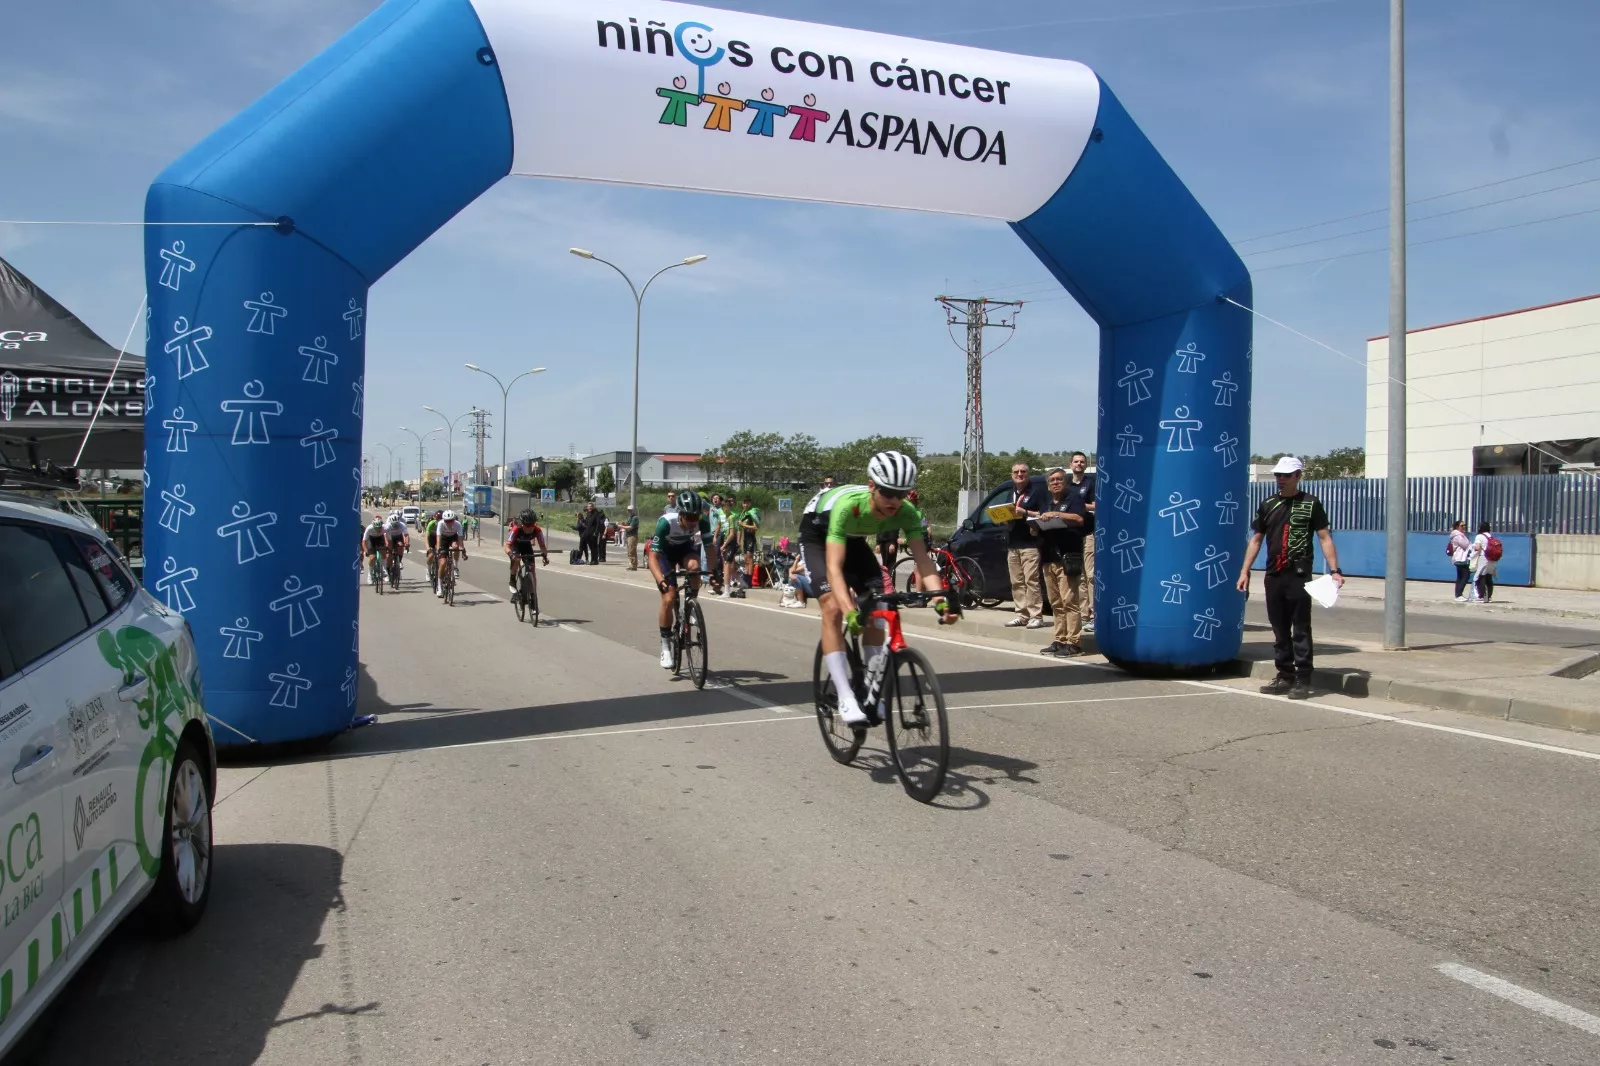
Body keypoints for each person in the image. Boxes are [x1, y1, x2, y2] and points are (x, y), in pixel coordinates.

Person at [799, 451, 958, 726]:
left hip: (855, 539)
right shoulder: (849, 505)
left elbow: (924, 561)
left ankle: (872, 690)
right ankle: (845, 696)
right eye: (888, 492)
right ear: (872, 485)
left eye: (902, 493)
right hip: (818, 533)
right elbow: (835, 567)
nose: (895, 500)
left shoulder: (907, 512)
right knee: (833, 606)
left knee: (878, 605)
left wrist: (940, 599)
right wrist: (850, 610)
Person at [1236, 456, 1344, 700]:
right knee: (1279, 629)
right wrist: (1245, 571)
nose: (1280, 479)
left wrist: (1335, 570)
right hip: (1274, 575)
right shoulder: (1268, 504)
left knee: (1301, 629)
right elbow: (1256, 539)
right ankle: (1284, 675)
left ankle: (1303, 679)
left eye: (1286, 475)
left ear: (1297, 476)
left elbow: (1324, 537)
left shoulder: (1311, 503)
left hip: (1299, 576)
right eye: (1278, 475)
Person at [647, 490, 712, 669]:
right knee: (668, 598)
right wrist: (661, 580)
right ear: (680, 514)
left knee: (695, 568)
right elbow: (652, 557)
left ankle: (691, 603)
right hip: (664, 556)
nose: (693, 522)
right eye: (689, 517)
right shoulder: (665, 523)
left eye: (696, 517)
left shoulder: (703, 522)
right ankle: (666, 644)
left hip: (684, 549)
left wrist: (714, 573)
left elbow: (710, 549)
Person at [1035, 467, 1090, 656]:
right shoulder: (1047, 504)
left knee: (1070, 601)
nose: (1056, 483)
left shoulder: (1073, 499)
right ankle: (1060, 639)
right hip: (1049, 558)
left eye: (1059, 479)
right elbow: (1041, 526)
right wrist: (1035, 526)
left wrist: (1058, 515)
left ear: (1065, 482)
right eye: (1052, 481)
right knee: (1055, 602)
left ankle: (1074, 643)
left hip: (1067, 557)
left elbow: (1079, 518)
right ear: (1048, 485)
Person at [1003, 461, 1048, 629]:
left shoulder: (1037, 491)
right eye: (1016, 472)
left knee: (1031, 580)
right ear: (1012, 474)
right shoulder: (1011, 493)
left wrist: (1024, 512)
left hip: (1030, 542)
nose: (1019, 474)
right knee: (1016, 581)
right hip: (1013, 542)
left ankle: (1036, 615)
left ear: (1027, 474)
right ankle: (1021, 614)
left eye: (1023, 472)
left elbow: (1043, 514)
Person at [1065, 451, 1097, 633]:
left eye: (1082, 462)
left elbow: (1096, 505)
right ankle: (1084, 615)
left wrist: (1079, 506)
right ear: (1070, 464)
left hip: (1088, 533)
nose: (1079, 464)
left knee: (1091, 575)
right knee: (1079, 577)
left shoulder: (1090, 484)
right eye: (1076, 461)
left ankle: (1094, 615)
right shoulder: (1067, 485)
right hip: (1072, 535)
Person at [505, 509, 549, 595]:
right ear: (522, 524)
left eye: (532, 525)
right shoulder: (516, 528)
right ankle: (512, 580)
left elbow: (543, 546)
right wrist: (510, 554)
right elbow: (507, 546)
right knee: (516, 560)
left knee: (532, 569)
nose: (530, 528)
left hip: (526, 545)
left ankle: (533, 595)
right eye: (527, 525)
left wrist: (545, 557)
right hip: (516, 545)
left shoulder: (537, 530)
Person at [433, 510, 467, 597]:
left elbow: (460, 540)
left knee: (456, 547)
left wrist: (462, 549)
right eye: (446, 521)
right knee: (443, 563)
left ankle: (455, 567)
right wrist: (438, 549)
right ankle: (439, 587)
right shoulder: (440, 523)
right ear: (443, 520)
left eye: (451, 521)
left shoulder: (457, 524)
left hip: (453, 538)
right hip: (443, 539)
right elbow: (438, 538)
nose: (449, 523)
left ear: (454, 520)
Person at [1471, 521, 1498, 603]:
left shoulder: (1479, 536)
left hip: (1484, 558)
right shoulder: (1490, 536)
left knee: (1480, 576)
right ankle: (1488, 596)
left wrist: (1473, 547)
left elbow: (1478, 548)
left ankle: (1481, 596)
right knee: (1489, 577)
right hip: (1492, 559)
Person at [1448, 520, 1474, 601]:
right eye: (1462, 526)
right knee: (1465, 575)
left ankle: (1458, 594)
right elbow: (1466, 545)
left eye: (1464, 525)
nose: (1464, 527)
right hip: (1460, 558)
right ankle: (1459, 594)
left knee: (1460, 577)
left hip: (1462, 558)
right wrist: (1472, 545)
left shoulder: (1461, 535)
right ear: (1457, 527)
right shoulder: (1458, 536)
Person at [360, 516, 388, 583]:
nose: (378, 529)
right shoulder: (369, 528)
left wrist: (387, 547)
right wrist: (366, 551)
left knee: (384, 553)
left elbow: (388, 539)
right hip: (371, 540)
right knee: (372, 557)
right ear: (373, 526)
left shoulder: (384, 528)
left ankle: (384, 570)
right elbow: (364, 542)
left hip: (380, 539)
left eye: (379, 527)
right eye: (376, 528)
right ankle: (370, 575)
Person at [624, 506, 641, 570]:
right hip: (628, 535)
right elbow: (627, 525)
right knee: (629, 551)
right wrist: (624, 524)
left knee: (632, 551)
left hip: (632, 536)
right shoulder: (629, 518)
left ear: (634, 510)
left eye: (631, 510)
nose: (629, 511)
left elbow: (630, 527)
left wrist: (621, 526)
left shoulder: (635, 518)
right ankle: (631, 564)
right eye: (628, 510)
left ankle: (633, 565)